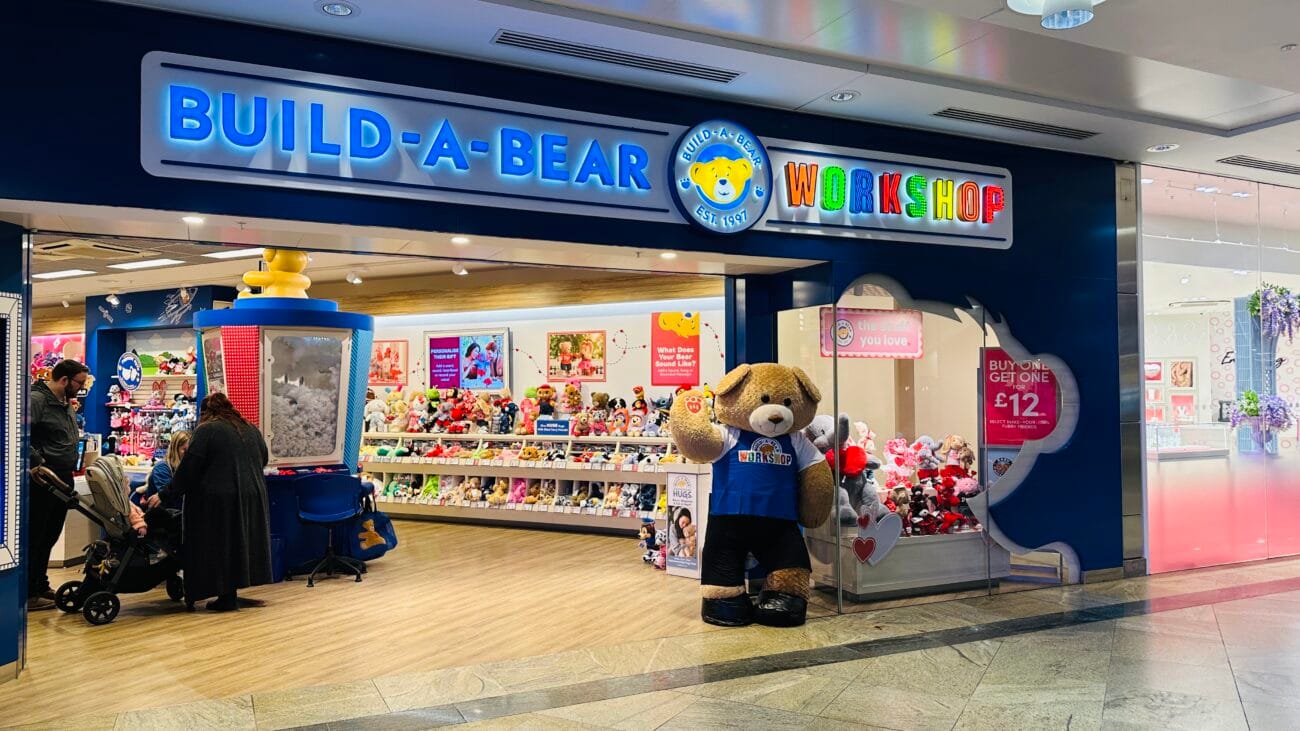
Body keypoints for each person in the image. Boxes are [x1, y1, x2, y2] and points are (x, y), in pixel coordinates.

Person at [151, 393, 272, 612]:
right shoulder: (250, 429)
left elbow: (189, 469)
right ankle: (232, 592)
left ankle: (224, 596)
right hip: (253, 495)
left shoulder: (207, 430)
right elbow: (264, 459)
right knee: (239, 544)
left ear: (205, 412)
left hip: (218, 499)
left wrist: (164, 494)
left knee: (218, 545)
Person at [26, 359, 89, 610]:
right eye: (79, 383)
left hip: (63, 476)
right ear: (64, 380)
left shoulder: (65, 403)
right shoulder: (37, 400)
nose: (81, 388)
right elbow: (20, 434)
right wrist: (36, 461)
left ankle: (40, 584)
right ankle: (30, 590)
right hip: (44, 478)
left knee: (51, 534)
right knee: (38, 535)